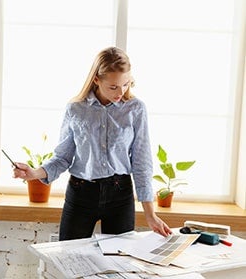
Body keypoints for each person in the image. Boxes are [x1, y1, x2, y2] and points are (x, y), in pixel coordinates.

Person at [13, 46, 172, 240]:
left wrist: (150, 214)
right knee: (69, 259)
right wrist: (34, 173)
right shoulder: (76, 108)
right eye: (113, 86)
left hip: (120, 194)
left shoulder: (135, 109)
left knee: (119, 263)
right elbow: (63, 157)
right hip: (81, 194)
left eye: (126, 84)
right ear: (96, 79)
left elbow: (141, 161)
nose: (120, 91)